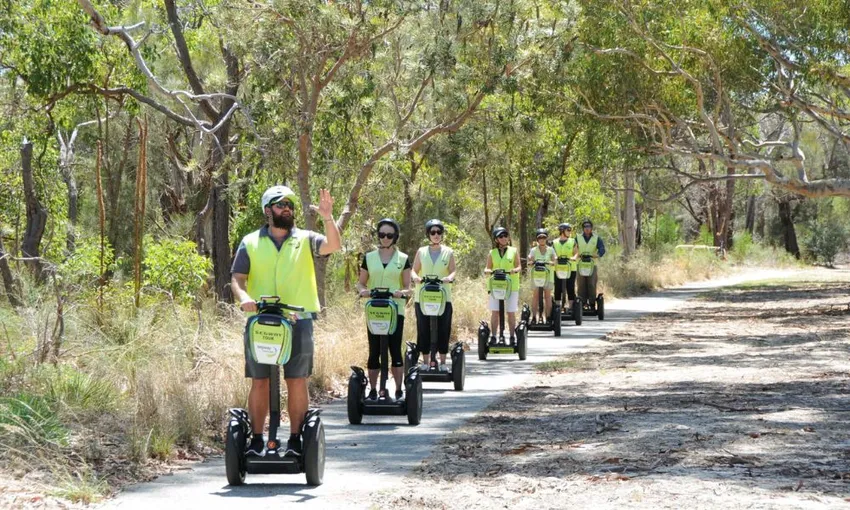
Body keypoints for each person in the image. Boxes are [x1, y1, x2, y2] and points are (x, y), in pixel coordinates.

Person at [231, 185, 341, 458]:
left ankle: (295, 440)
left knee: (296, 380)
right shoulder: (251, 242)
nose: (287, 209)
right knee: (260, 381)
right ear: (268, 210)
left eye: (289, 204)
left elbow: (333, 245)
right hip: (261, 322)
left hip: (298, 320)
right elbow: (237, 278)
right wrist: (244, 296)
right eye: (281, 205)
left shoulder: (305, 238)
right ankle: (257, 440)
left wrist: (328, 217)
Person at [355, 218, 412, 401]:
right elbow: (361, 282)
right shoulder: (369, 257)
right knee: (374, 350)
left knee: (395, 349)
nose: (385, 238)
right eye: (381, 235)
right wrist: (363, 291)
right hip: (374, 310)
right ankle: (373, 390)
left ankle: (398, 390)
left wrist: (401, 292)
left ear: (395, 236)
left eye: (389, 235)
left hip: (395, 311)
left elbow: (408, 287)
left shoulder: (402, 259)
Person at [411, 219, 457, 372]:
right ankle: (425, 361)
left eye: (439, 232)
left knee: (443, 328)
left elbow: (453, 270)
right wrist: (415, 278)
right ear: (428, 234)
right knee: (423, 328)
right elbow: (414, 270)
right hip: (423, 297)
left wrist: (449, 278)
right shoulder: (421, 251)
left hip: (443, 296)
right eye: (433, 232)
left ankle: (443, 362)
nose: (436, 235)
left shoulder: (448, 252)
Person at [483, 227, 522, 345]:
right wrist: (487, 271)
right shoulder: (492, 253)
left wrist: (514, 270)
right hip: (496, 286)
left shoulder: (513, 251)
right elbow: (488, 267)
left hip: (511, 286)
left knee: (510, 312)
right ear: (496, 239)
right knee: (495, 312)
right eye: (501, 236)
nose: (504, 238)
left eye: (506, 236)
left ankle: (511, 337)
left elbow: (519, 266)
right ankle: (494, 336)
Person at [528, 228, 556, 323]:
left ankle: (548, 317)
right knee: (535, 296)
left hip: (548, 277)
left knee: (547, 296)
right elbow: (530, 259)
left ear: (546, 238)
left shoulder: (551, 250)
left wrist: (552, 262)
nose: (542, 239)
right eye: (540, 237)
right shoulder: (533, 250)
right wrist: (531, 262)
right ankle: (534, 317)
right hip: (536, 276)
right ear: (537, 239)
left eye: (544, 237)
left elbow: (554, 260)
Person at [576, 219, 606, 302]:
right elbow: (573, 248)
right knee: (581, 284)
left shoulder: (596, 238)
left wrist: (598, 255)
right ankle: (581, 302)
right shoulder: (578, 238)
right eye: (585, 226)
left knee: (591, 284)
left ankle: (592, 303)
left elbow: (602, 249)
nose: (587, 228)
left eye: (589, 226)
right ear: (583, 228)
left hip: (592, 264)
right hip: (580, 263)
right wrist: (576, 254)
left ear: (591, 228)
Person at [553, 223, 579, 311]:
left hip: (570, 268)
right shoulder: (554, 242)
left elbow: (576, 253)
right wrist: (555, 258)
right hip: (558, 268)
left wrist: (574, 258)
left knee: (570, 287)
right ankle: (557, 307)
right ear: (562, 231)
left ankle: (571, 307)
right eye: (568, 230)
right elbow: (552, 254)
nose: (569, 232)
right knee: (558, 287)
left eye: (570, 230)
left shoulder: (572, 241)